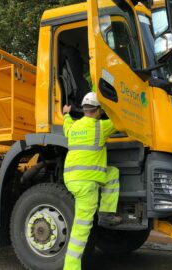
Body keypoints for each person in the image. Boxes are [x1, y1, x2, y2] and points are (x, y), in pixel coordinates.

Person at [62, 92, 121, 270]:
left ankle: (106, 212)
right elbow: (121, 122)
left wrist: (66, 113)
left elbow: (66, 125)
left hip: (72, 178)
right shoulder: (101, 127)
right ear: (98, 110)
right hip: (86, 184)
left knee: (112, 173)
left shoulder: (73, 127)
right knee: (81, 228)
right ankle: (71, 267)